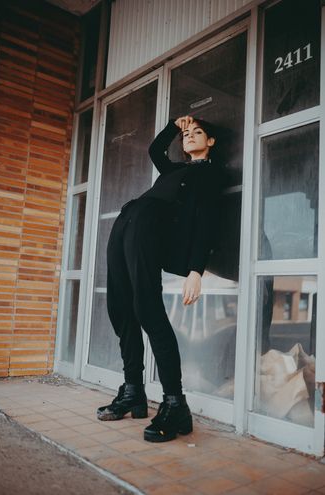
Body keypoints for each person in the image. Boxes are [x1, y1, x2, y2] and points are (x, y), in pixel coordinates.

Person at [96, 115, 224, 442]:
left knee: (147, 308)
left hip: (151, 225)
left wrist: (196, 270)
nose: (190, 137)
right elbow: (155, 151)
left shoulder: (209, 174)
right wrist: (173, 127)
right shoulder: (174, 169)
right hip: (129, 218)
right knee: (120, 307)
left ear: (210, 142)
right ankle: (133, 390)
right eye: (187, 135)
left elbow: (208, 221)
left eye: (198, 133)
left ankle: (175, 402)